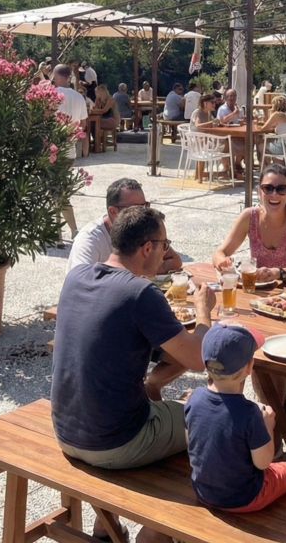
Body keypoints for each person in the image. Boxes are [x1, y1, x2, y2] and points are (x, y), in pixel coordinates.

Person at [52, 206, 216, 493]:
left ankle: (106, 529)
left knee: (173, 405)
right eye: (164, 246)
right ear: (147, 248)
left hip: (67, 432)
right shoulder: (140, 293)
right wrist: (204, 312)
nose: (166, 253)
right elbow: (197, 358)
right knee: (214, 418)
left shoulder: (76, 277)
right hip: (116, 441)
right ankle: (163, 529)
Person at [185, 324, 286, 513]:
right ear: (249, 367)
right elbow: (263, 463)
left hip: (203, 491)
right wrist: (267, 424)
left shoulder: (194, 398)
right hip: (244, 498)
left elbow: (191, 441)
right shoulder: (250, 414)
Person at [211, 165, 286, 283]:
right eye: (268, 188)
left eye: (281, 189)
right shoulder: (249, 216)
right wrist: (222, 261)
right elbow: (218, 253)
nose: (274, 194)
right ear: (259, 191)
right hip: (259, 290)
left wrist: (277, 273)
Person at [69, 179, 181, 272]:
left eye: (144, 207)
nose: (142, 213)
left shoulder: (142, 231)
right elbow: (80, 280)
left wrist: (145, 271)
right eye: (133, 208)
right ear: (112, 211)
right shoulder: (90, 238)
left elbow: (174, 260)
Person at [54, 64, 89, 157]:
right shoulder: (79, 97)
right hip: (70, 150)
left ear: (56, 76)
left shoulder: (52, 94)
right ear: (68, 77)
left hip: (51, 149)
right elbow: (83, 124)